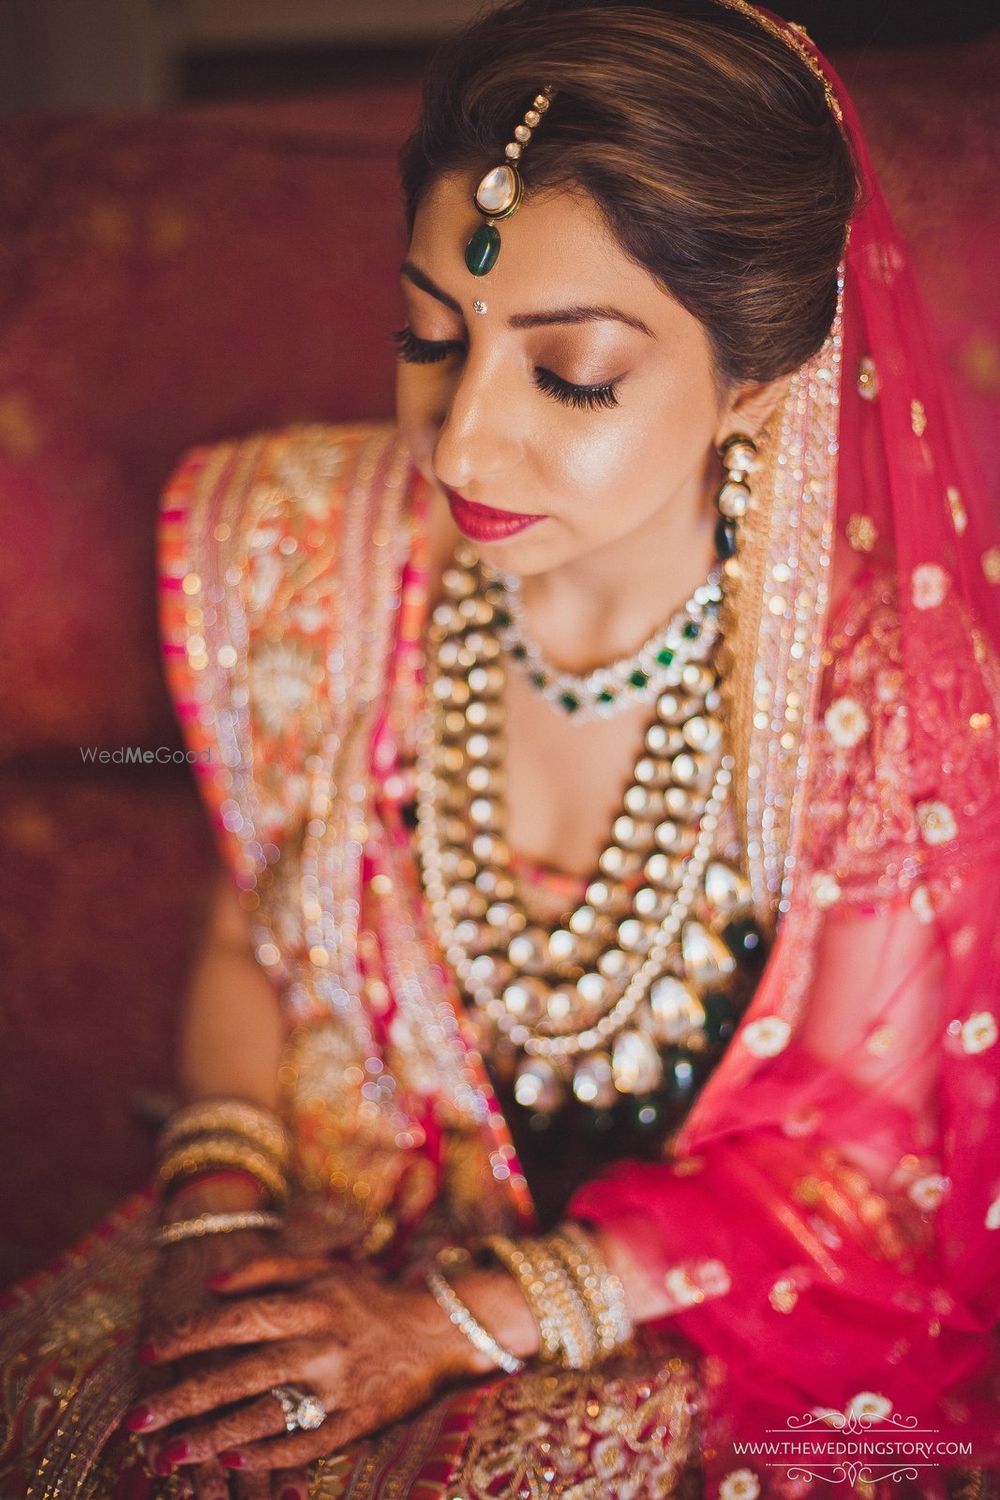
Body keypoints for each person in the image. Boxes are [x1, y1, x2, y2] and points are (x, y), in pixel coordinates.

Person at [2, 1, 998, 1496]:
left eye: (573, 371)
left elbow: (859, 1175)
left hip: (694, 1318)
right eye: (428, 332)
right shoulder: (302, 555)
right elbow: (251, 936)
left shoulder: (882, 698)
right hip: (319, 1214)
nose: (460, 442)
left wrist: (449, 1324)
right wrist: (215, 1217)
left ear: (757, 383)